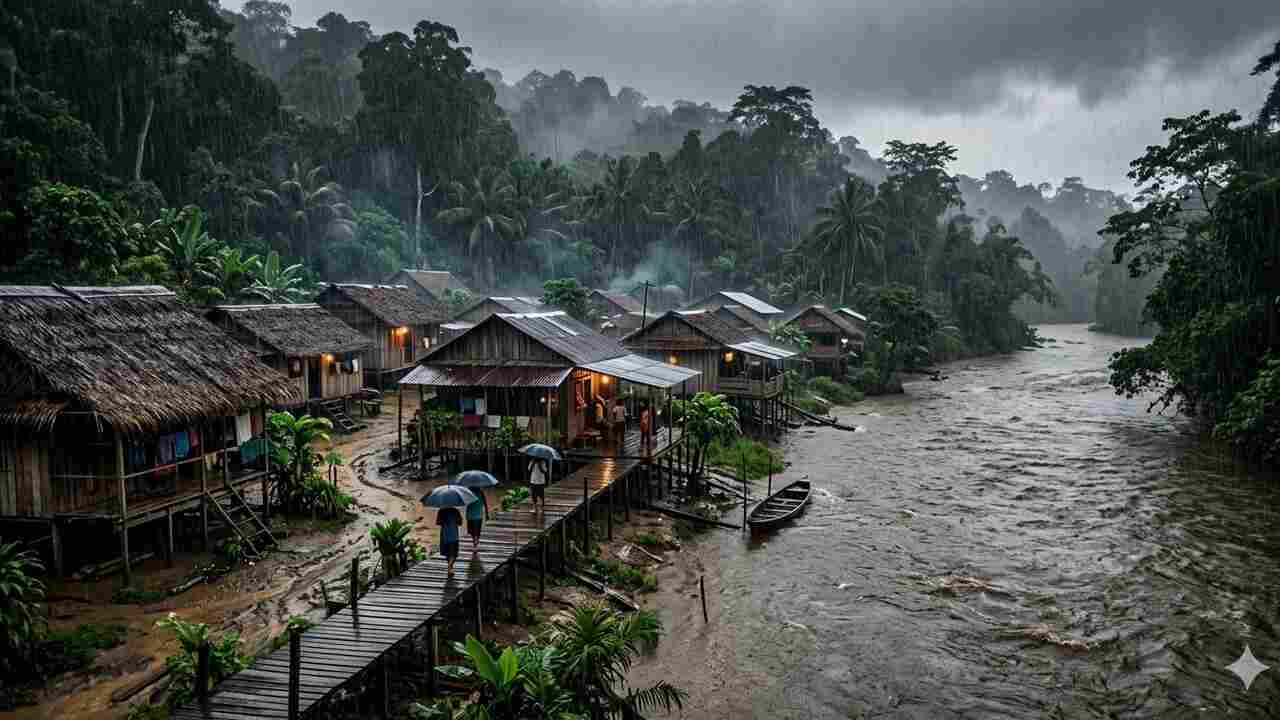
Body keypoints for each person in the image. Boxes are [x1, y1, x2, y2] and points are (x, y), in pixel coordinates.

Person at [436, 507, 463, 576]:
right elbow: (460, 523)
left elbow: (438, 522)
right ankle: (450, 567)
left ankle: (450, 567)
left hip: (445, 535)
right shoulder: (455, 511)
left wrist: (444, 521)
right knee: (454, 553)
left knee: (447, 553)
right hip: (454, 535)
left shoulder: (441, 511)